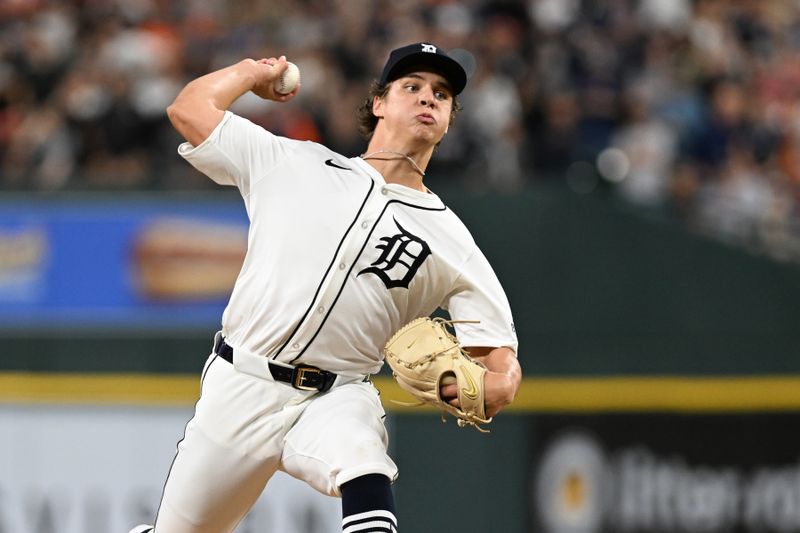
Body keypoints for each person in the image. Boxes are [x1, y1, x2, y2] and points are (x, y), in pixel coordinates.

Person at [129, 42, 521, 533]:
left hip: (335, 394)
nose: (428, 99)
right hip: (240, 384)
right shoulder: (294, 163)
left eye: (441, 95)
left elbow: (500, 362)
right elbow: (188, 109)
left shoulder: (453, 241)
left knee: (364, 463)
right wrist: (252, 73)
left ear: (448, 120)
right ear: (379, 103)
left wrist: (482, 386)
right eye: (412, 87)